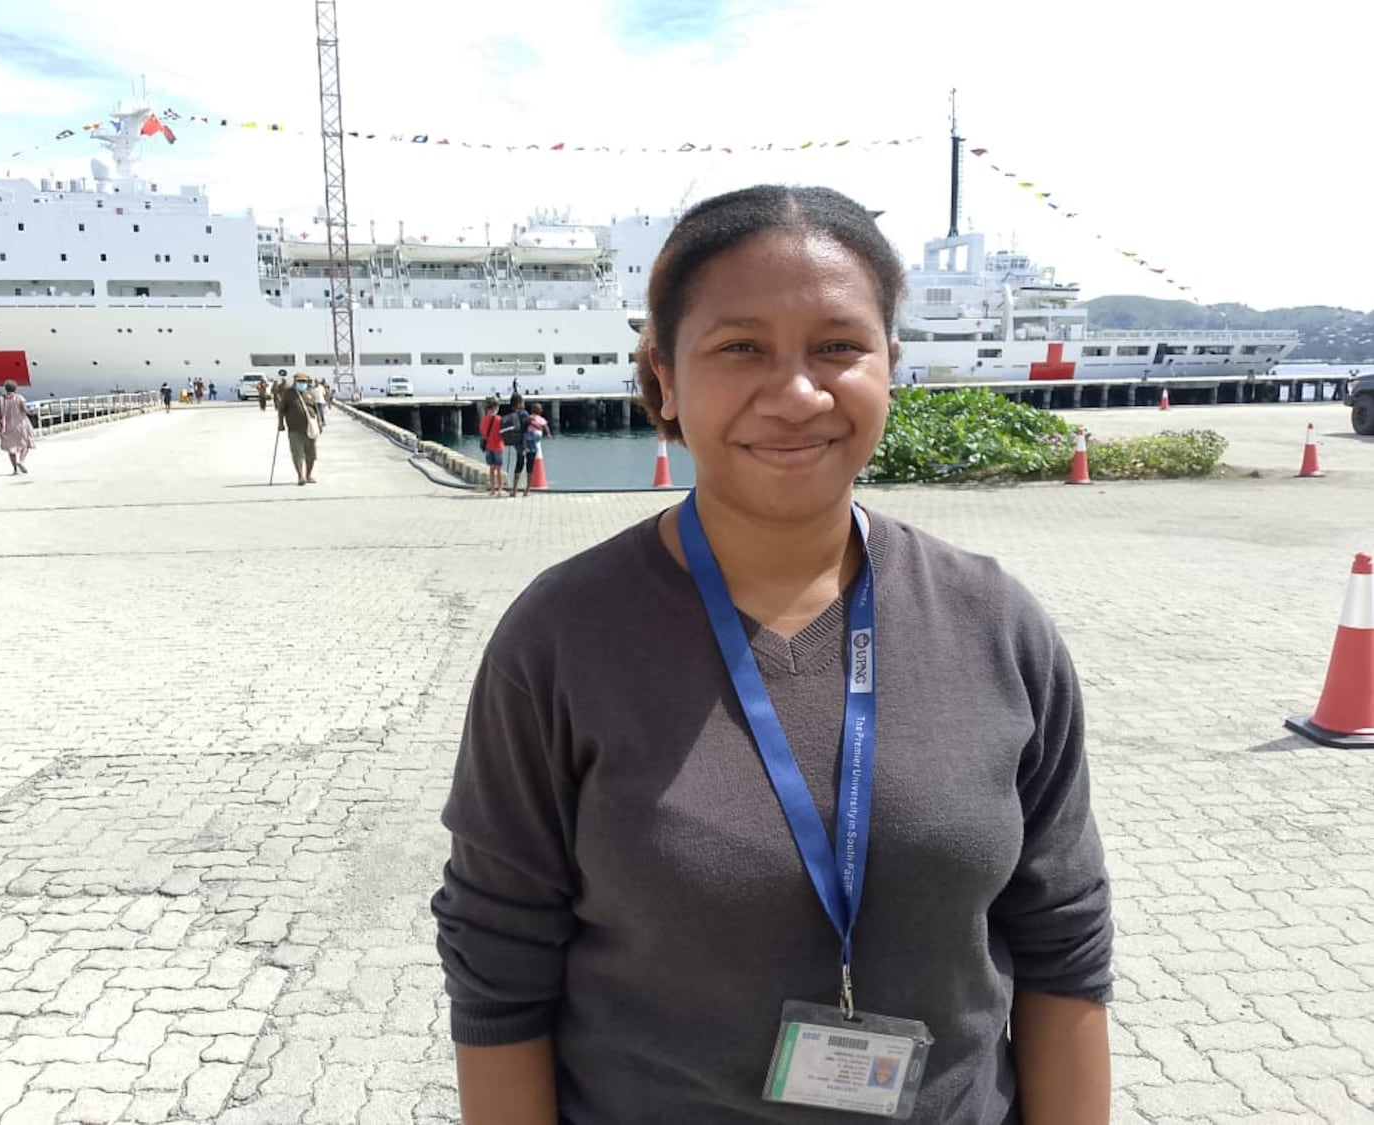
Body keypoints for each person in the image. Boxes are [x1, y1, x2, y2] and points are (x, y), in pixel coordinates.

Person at [431, 185, 1113, 1124]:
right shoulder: (559, 641)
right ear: (665, 375)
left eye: (838, 346)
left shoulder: (996, 623)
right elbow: (497, 970)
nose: (796, 394)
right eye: (740, 347)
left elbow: (1063, 941)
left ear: (890, 363)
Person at [277, 372, 320, 485]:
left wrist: (319, 423)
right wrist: (280, 423)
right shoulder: (288, 394)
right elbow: (281, 409)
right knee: (297, 453)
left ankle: (308, 475)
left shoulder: (310, 393)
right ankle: (300, 476)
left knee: (311, 453)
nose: (302, 383)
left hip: (310, 428)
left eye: (304, 381)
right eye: (300, 381)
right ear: (295, 382)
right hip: (294, 428)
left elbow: (316, 409)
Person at [0, 379, 35, 475]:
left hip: (7, 426)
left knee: (11, 447)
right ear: (15, 388)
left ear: (6, 388)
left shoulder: (0, 399)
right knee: (26, 443)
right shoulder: (19, 398)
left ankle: (15, 469)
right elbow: (24, 409)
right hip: (21, 424)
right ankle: (21, 461)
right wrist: (30, 411)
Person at [499, 395, 531, 497]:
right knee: (529, 465)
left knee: (519, 464)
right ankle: (527, 490)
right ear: (519, 404)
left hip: (516, 442)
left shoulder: (513, 415)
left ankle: (514, 490)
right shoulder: (524, 413)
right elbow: (527, 428)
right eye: (523, 402)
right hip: (525, 442)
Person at [477, 396, 506, 496]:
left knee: (492, 468)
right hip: (498, 446)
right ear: (496, 408)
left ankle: (493, 489)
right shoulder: (499, 419)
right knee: (499, 469)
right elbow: (502, 433)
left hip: (488, 447)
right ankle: (500, 490)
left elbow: (482, 433)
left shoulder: (483, 420)